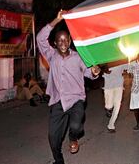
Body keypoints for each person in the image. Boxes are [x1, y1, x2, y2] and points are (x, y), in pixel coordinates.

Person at [37, 9, 101, 164]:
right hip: (58, 101)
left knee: (76, 125)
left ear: (70, 41)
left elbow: (90, 73)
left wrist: (94, 71)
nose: (63, 43)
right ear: (55, 43)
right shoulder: (51, 55)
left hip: (76, 100)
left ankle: (73, 137)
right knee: (53, 138)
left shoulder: (79, 58)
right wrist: (56, 21)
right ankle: (59, 161)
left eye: (66, 40)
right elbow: (40, 38)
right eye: (60, 41)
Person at [102, 61, 129, 133]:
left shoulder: (121, 59)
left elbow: (128, 67)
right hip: (108, 86)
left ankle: (111, 125)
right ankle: (108, 109)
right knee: (108, 106)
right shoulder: (105, 59)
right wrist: (104, 68)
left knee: (117, 106)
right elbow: (102, 70)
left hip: (119, 85)